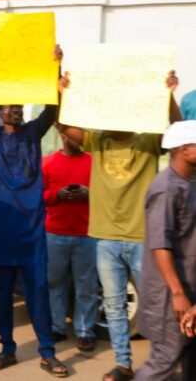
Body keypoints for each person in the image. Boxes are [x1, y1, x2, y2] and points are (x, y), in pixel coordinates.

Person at [58, 71, 181, 381]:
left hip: (143, 237)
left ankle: (160, 363)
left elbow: (177, 132)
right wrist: (63, 93)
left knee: (157, 306)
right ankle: (124, 364)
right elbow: (63, 126)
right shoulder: (96, 141)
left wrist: (168, 95)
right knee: (113, 307)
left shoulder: (149, 139)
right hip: (105, 239)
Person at [0, 46, 70, 377]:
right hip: (0, 232)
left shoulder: (32, 134)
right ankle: (7, 349)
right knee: (4, 297)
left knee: (38, 292)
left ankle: (47, 352)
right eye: (7, 107)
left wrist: (56, 68)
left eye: (18, 107)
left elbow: (52, 110)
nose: (13, 111)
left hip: (31, 231)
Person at [136, 120, 196, 380]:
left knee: (191, 359)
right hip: (170, 297)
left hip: (189, 289)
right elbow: (160, 244)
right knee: (164, 360)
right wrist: (178, 293)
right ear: (184, 149)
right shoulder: (166, 188)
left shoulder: (188, 183)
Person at [42, 132, 97, 352]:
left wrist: (89, 193)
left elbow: (105, 193)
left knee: (86, 285)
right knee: (55, 283)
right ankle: (58, 327)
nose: (79, 138)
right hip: (55, 232)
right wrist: (58, 195)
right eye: (74, 134)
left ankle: (85, 331)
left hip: (86, 233)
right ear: (63, 136)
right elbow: (38, 194)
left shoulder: (94, 162)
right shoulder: (47, 163)